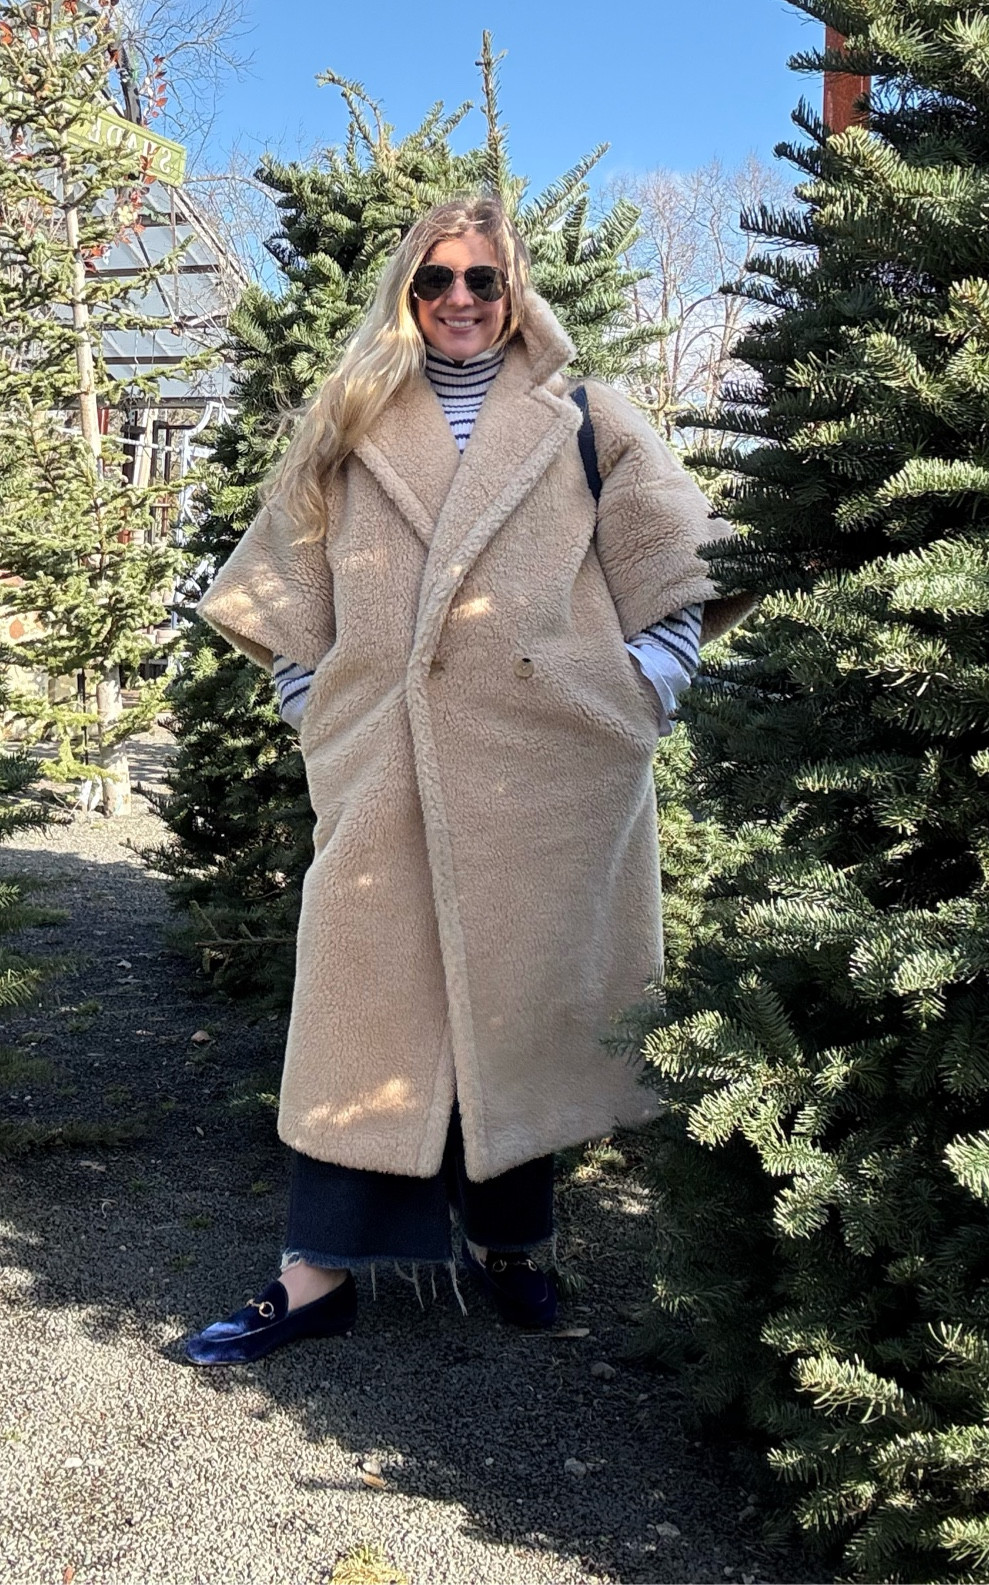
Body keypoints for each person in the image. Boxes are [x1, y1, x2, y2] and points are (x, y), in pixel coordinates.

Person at [184, 192, 752, 1364]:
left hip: (546, 768)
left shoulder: (588, 416)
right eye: (434, 278)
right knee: (361, 1000)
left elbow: (682, 570)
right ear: (407, 291)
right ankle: (317, 1273)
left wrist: (642, 694)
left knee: (515, 997)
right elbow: (285, 596)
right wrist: (319, 712)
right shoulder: (347, 420)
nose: (457, 299)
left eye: (480, 280)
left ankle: (514, 1242)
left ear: (515, 291)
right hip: (381, 764)